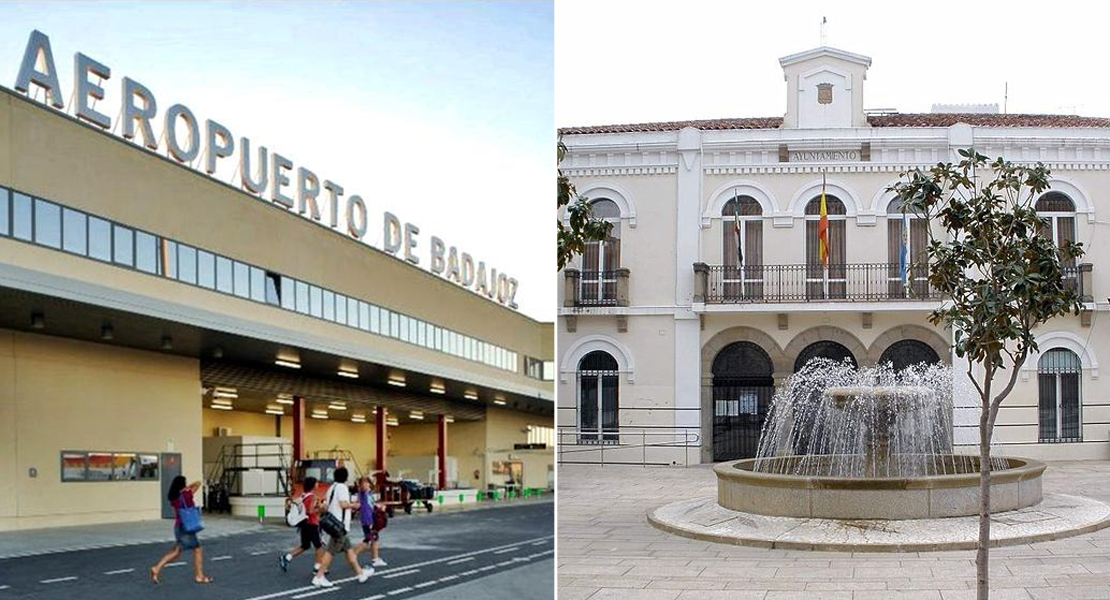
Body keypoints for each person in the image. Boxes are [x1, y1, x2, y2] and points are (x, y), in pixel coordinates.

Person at [313, 467, 373, 588]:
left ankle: (360, 573)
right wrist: (354, 505)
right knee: (330, 552)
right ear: (345, 477)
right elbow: (343, 504)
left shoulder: (332, 488)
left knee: (349, 550)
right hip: (339, 526)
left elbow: (328, 504)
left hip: (334, 524)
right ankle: (319, 576)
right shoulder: (342, 487)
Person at [151, 476, 212, 585]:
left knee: (176, 552)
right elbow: (198, 483)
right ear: (182, 484)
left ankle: (157, 568)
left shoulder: (174, 498)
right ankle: (200, 576)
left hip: (178, 527)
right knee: (198, 550)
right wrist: (187, 487)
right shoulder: (186, 494)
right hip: (186, 528)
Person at [279, 477, 324, 573]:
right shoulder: (313, 497)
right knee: (319, 546)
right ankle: (318, 567)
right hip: (312, 524)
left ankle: (287, 557)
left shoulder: (303, 496)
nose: (317, 484)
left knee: (305, 545)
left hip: (304, 524)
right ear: (313, 485)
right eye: (316, 483)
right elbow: (311, 511)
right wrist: (321, 509)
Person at [353, 476, 387, 567]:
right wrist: (361, 484)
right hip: (368, 520)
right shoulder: (363, 493)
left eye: (367, 482)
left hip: (370, 519)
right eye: (363, 483)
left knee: (374, 539)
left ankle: (375, 559)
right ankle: (353, 555)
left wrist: (379, 507)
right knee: (369, 539)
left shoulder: (369, 494)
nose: (366, 484)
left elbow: (371, 506)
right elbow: (362, 490)